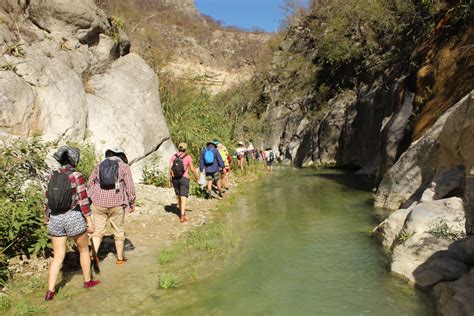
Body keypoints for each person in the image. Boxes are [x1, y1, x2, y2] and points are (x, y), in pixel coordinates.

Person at [44, 146, 100, 301]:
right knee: (83, 250)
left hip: (55, 218)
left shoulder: (52, 175)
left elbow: (47, 199)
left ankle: (50, 292)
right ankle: (88, 282)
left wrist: (47, 217)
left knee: (58, 256)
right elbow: (83, 201)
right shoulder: (76, 175)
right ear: (74, 160)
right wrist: (89, 221)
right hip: (73, 217)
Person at [87, 147, 135, 265]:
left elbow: (90, 184)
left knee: (97, 231)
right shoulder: (124, 167)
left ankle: (94, 256)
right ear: (120, 155)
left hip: (98, 203)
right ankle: (119, 259)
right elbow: (130, 187)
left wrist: (90, 198)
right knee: (118, 231)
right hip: (117, 203)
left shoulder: (99, 165)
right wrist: (131, 202)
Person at [169, 143, 199, 223]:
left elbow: (170, 169)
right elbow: (192, 169)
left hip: (175, 179)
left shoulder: (173, 157)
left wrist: (170, 180)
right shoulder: (188, 157)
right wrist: (196, 177)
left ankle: (181, 211)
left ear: (178, 149)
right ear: (185, 149)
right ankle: (182, 215)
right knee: (183, 196)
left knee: (179, 196)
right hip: (184, 178)